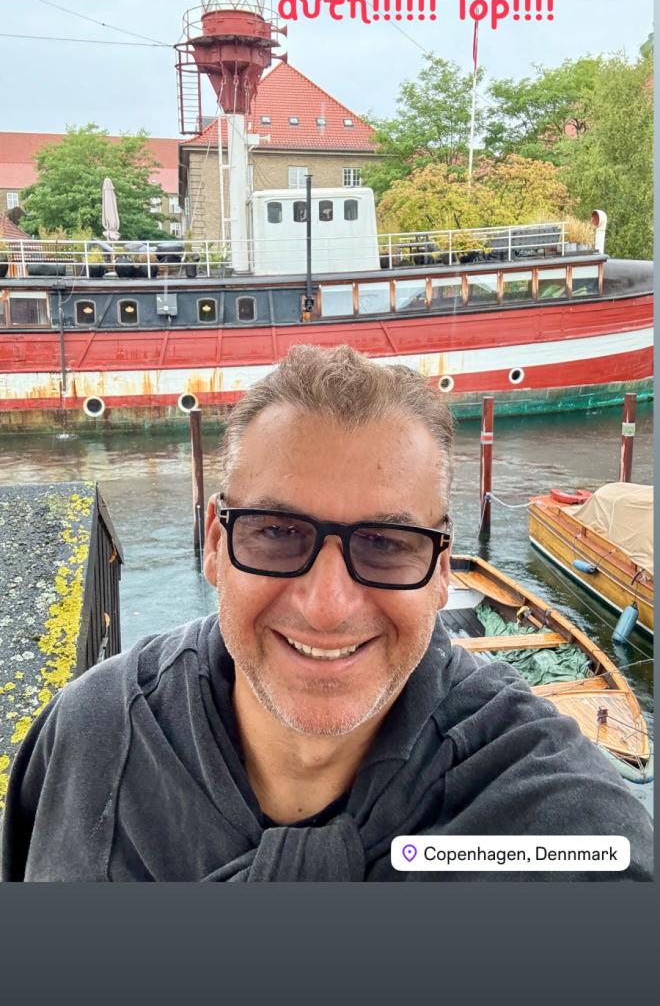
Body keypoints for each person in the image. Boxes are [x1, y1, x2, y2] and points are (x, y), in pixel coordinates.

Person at [1, 345, 653, 881]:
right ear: (215, 544)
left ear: (441, 571)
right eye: (276, 532)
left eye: (387, 543)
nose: (326, 606)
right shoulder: (89, 740)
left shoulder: (566, 823)